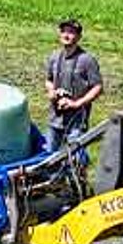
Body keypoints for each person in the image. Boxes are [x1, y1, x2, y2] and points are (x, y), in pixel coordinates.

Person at [44, 17, 104, 153]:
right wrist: (52, 92)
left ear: (79, 37)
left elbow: (97, 87)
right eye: (64, 31)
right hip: (55, 119)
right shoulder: (54, 56)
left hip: (76, 122)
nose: (66, 35)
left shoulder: (87, 60)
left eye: (71, 32)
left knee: (74, 159)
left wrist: (77, 103)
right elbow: (48, 80)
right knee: (49, 158)